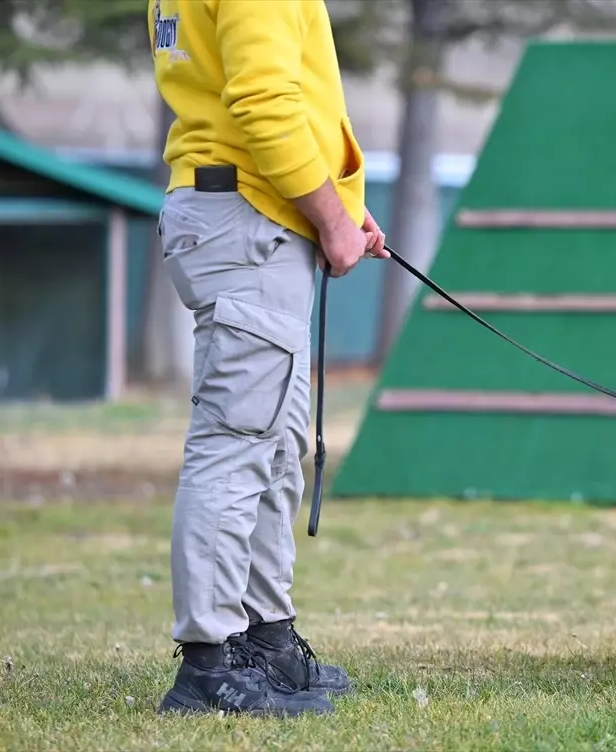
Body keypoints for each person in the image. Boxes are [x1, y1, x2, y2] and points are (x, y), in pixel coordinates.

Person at [148, 0, 389, 717]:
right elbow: (263, 100)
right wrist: (330, 218)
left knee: (275, 444)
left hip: (243, 208)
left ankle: (266, 640)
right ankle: (209, 666)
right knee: (235, 446)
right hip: (247, 217)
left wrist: (335, 205)